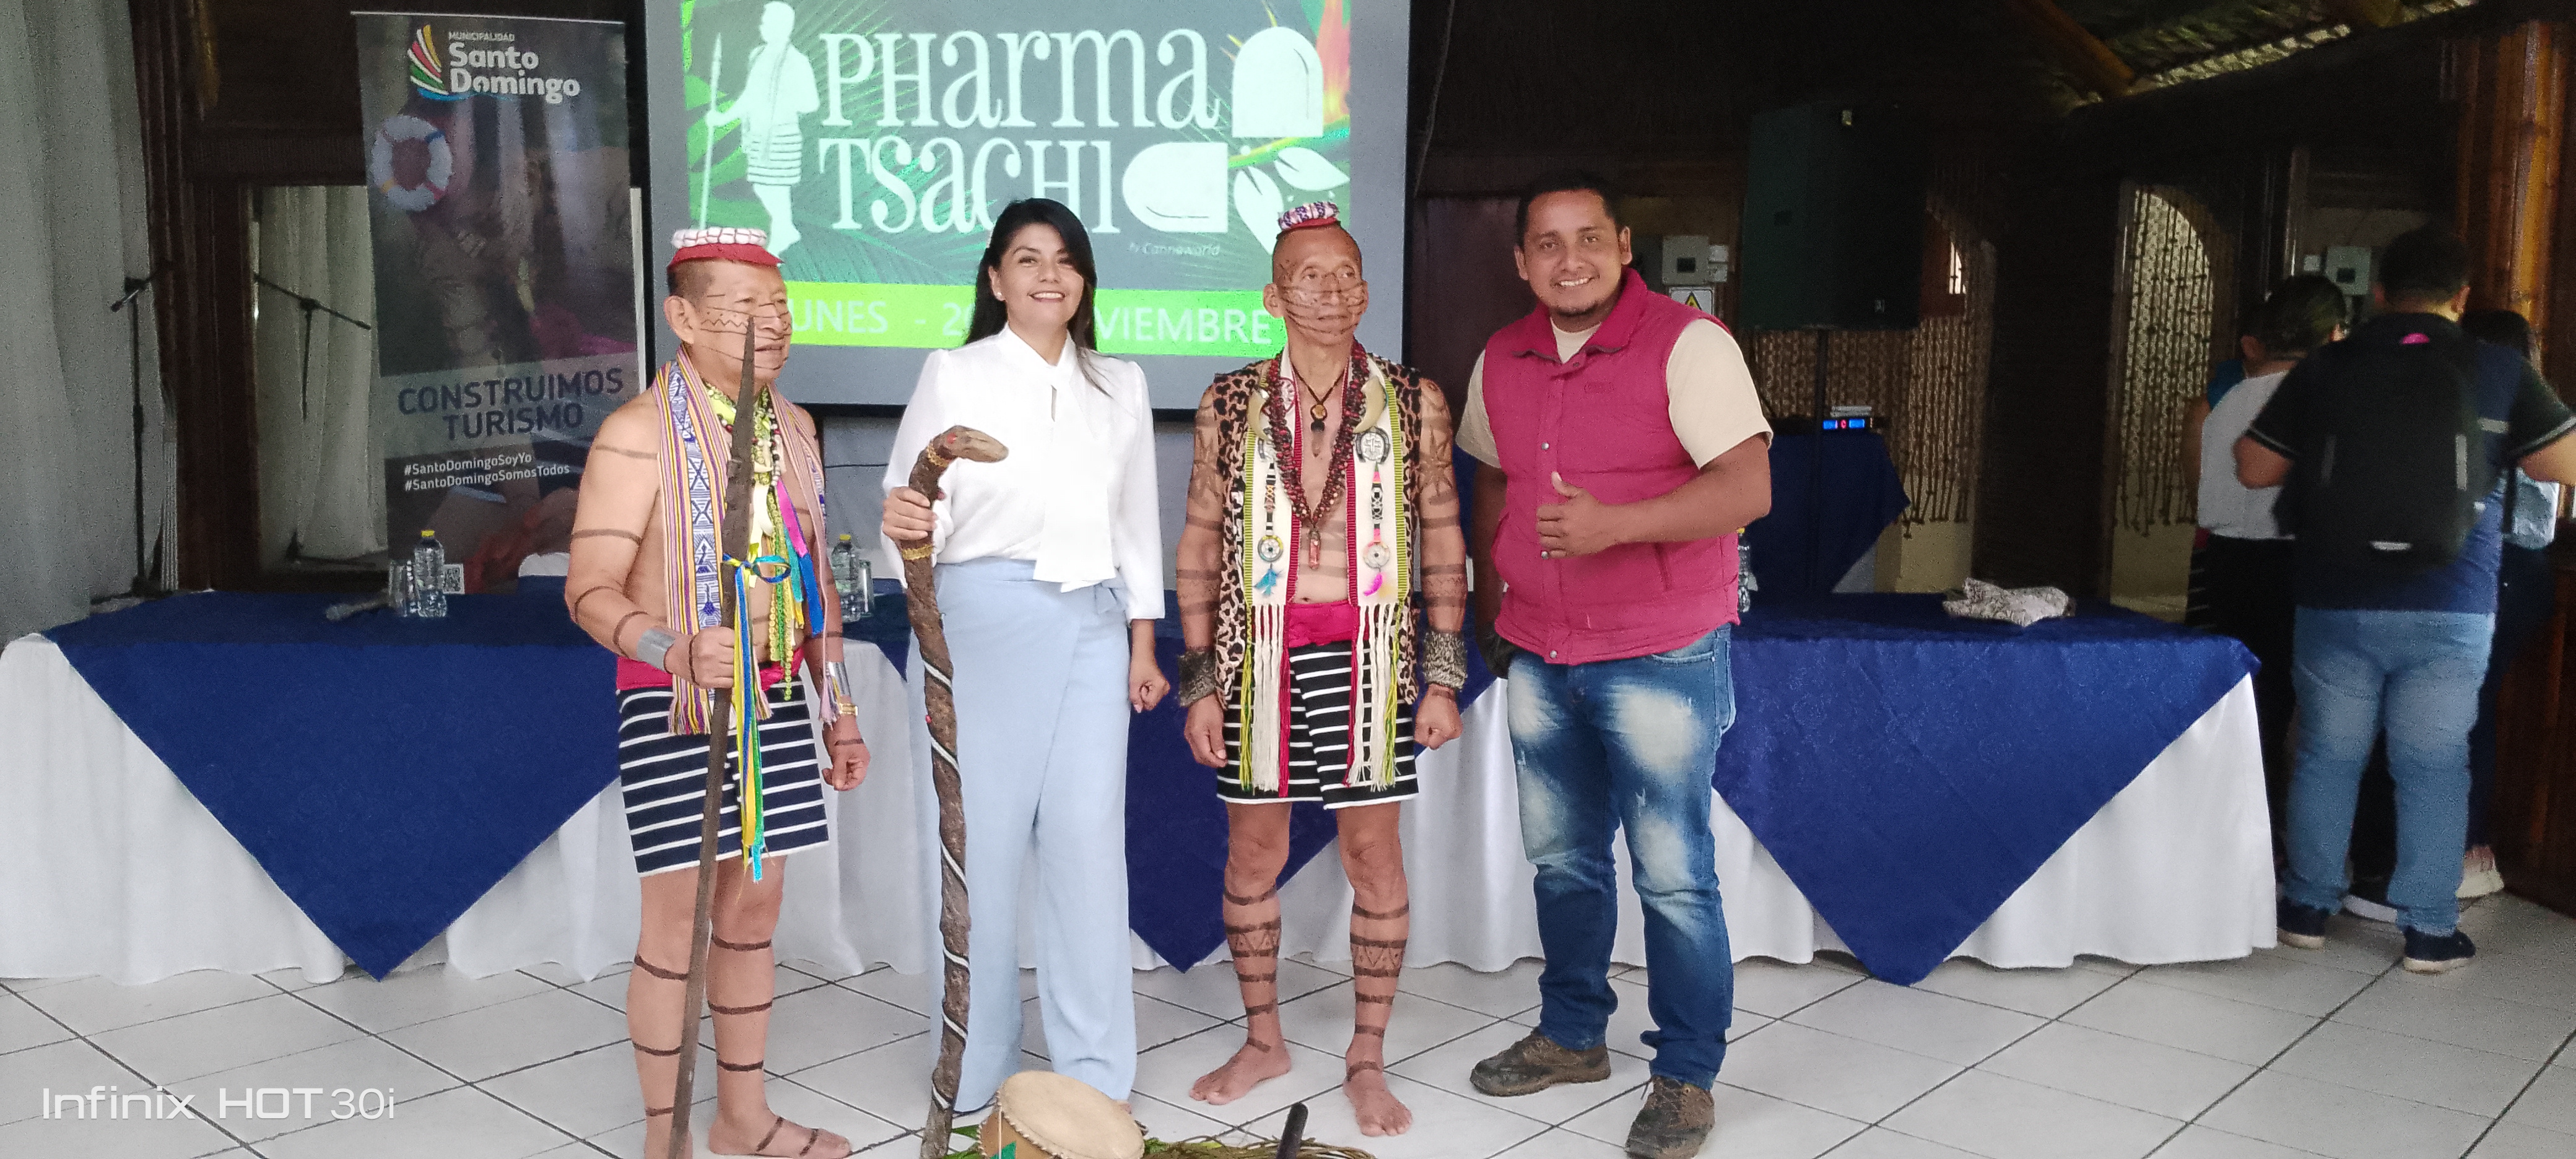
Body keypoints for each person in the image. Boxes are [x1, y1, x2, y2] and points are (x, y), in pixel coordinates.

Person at [1460, 172, 1772, 1159]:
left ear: (1625, 245)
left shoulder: (1691, 345)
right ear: (1522, 261)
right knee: (1562, 860)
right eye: (1548, 244)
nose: (1571, 260)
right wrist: (1490, 598)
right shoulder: (1500, 356)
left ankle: (1686, 1076)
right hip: (1541, 650)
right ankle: (1572, 1035)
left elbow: (1749, 488)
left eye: (1589, 238)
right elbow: (1495, 481)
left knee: (1673, 876)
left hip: (1661, 650)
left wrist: (1616, 527)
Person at [567, 225, 869, 1159]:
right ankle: (665, 1139)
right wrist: (674, 649)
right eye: (744, 310)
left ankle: (743, 1120)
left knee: (752, 915)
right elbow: (587, 593)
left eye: (778, 308)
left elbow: (813, 586)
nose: (771, 326)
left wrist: (840, 712)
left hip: (774, 700)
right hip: (674, 704)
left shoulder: (796, 428)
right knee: (677, 926)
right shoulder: (636, 434)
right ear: (683, 319)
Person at [1173, 201, 1468, 1137]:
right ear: (1273, 296)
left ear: (1367, 291)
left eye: (1346, 275)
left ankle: (1365, 1057)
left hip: (1373, 659)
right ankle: (1263, 1041)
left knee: (1373, 856)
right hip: (1254, 660)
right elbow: (1200, 541)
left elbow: (1444, 538)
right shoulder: (1228, 401)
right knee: (1253, 855)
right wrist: (1199, 682)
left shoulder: (1413, 400)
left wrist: (1443, 676)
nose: (1332, 292)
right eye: (1310, 276)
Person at [879, 198, 1168, 1113]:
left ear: (1084, 280)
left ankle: (1093, 1073)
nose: (1050, 274)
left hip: (1094, 623)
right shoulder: (955, 370)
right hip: (983, 618)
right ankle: (973, 1063)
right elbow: (908, 508)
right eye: (1028, 258)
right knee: (983, 843)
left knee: (1087, 843)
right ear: (996, 279)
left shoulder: (1119, 382)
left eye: (1066, 260)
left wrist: (1142, 641)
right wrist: (908, 521)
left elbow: (1136, 521)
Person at [2239, 226, 2576, 973]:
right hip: (2451, 602)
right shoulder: (2498, 369)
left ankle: (2305, 909)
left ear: (2379, 293)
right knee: (2433, 764)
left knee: (2326, 756)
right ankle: (2426, 931)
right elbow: (2565, 463)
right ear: (2462, 297)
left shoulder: (2326, 366)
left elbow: (2254, 469)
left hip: (2334, 596)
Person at [2190, 276, 2348, 854]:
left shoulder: (2229, 401)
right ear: (2334, 335)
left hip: (2227, 561)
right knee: (2304, 711)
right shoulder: (2322, 398)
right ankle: (2280, 841)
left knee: (2245, 702)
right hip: (2290, 561)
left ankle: (2233, 835)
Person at [2458, 308, 2562, 898]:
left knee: (2468, 710)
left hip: (2499, 570)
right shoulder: (2544, 413)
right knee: (2472, 707)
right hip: (2524, 572)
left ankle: (2469, 848)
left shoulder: (2489, 414)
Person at [705, 2, 819, 254]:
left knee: (777, 187)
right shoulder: (757, 55)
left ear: (784, 26)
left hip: (781, 135)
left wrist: (782, 97)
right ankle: (786, 228)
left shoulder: (797, 61)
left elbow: (811, 103)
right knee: (761, 186)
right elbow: (750, 96)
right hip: (757, 135)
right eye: (763, 22)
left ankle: (782, 233)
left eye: (768, 23)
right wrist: (723, 118)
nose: (762, 27)